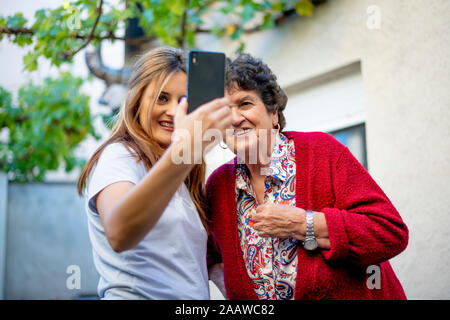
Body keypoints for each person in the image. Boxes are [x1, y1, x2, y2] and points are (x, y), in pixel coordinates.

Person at [206, 53, 409, 300]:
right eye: (224, 112)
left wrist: (304, 224)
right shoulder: (218, 185)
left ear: (273, 113)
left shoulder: (321, 150)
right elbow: (206, 254)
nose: (235, 119)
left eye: (245, 104)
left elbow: (389, 233)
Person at [77, 47, 231, 299]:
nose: (173, 111)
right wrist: (187, 151)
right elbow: (119, 232)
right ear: (137, 100)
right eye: (162, 98)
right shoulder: (120, 155)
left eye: (183, 101)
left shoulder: (183, 175)